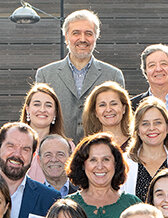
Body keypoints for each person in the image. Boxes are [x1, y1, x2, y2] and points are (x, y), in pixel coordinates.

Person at [34, 9, 125, 140]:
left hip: (99, 153)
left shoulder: (113, 75)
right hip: (58, 154)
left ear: (96, 37)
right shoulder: (45, 75)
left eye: (88, 33)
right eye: (76, 33)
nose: (82, 39)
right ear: (66, 36)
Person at [67, 133, 141, 218]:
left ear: (115, 164)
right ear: (83, 165)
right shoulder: (68, 205)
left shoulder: (133, 205)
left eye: (106, 159)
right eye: (93, 160)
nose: (100, 166)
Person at [121, 98, 168, 202]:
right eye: (145, 123)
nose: (151, 128)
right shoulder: (124, 163)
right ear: (137, 130)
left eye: (158, 123)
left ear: (167, 127)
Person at [20, 83, 68, 184]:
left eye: (48, 105)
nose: (42, 110)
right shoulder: (14, 145)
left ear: (55, 112)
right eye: (37, 104)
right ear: (27, 109)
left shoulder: (68, 146)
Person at [81, 81, 132, 150]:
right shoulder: (87, 146)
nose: (108, 109)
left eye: (114, 104)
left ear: (124, 108)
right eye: (102, 105)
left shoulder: (137, 143)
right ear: (95, 112)